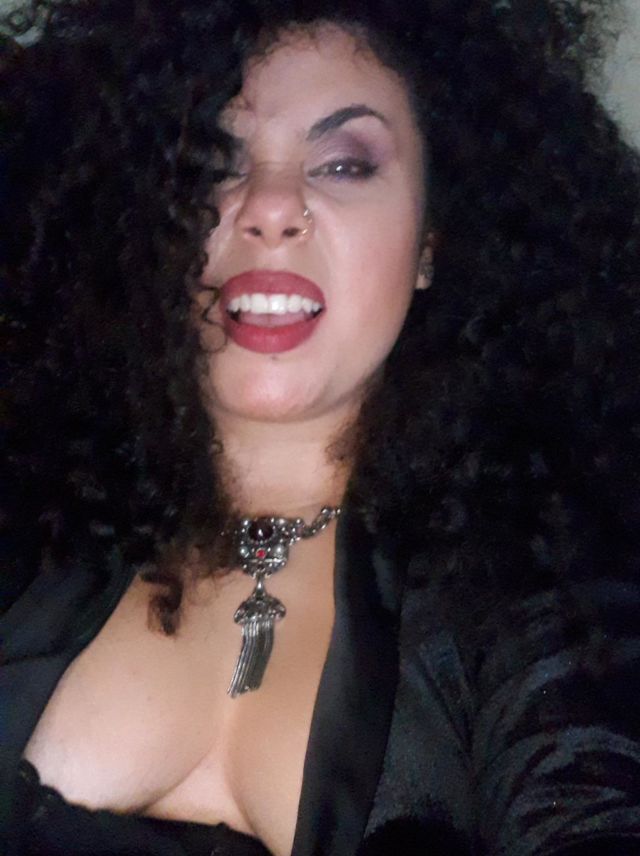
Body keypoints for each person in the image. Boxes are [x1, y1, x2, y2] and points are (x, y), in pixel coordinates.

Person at [1, 0, 640, 854]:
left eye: (344, 165)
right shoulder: (26, 509)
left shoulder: (541, 587)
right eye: (213, 165)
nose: (270, 206)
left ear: (432, 242)